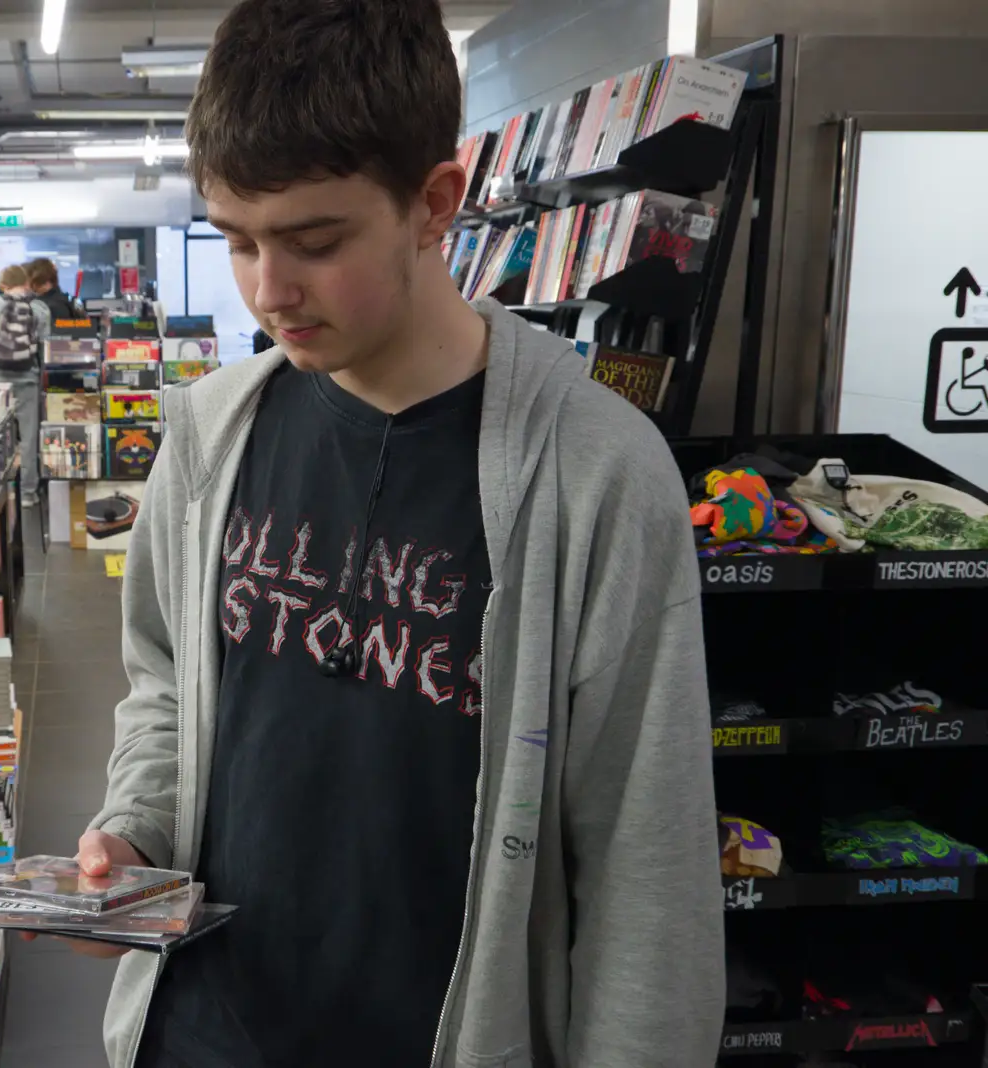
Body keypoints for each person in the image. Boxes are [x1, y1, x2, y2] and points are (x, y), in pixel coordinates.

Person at [69, 1, 723, 1066]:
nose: (268, 291)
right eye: (236, 242)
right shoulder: (207, 433)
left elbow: (644, 866)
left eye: (313, 243)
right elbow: (165, 681)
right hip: (200, 1031)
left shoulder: (595, 472)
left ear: (434, 203)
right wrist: (136, 827)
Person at [0, 264, 50, 506]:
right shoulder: (40, 309)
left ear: (3, 284)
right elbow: (44, 349)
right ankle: (28, 493)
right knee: (29, 438)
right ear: (27, 282)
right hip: (27, 381)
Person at [26, 257, 81, 321]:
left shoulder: (41, 306)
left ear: (47, 282)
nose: (32, 287)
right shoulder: (71, 301)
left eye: (35, 283)